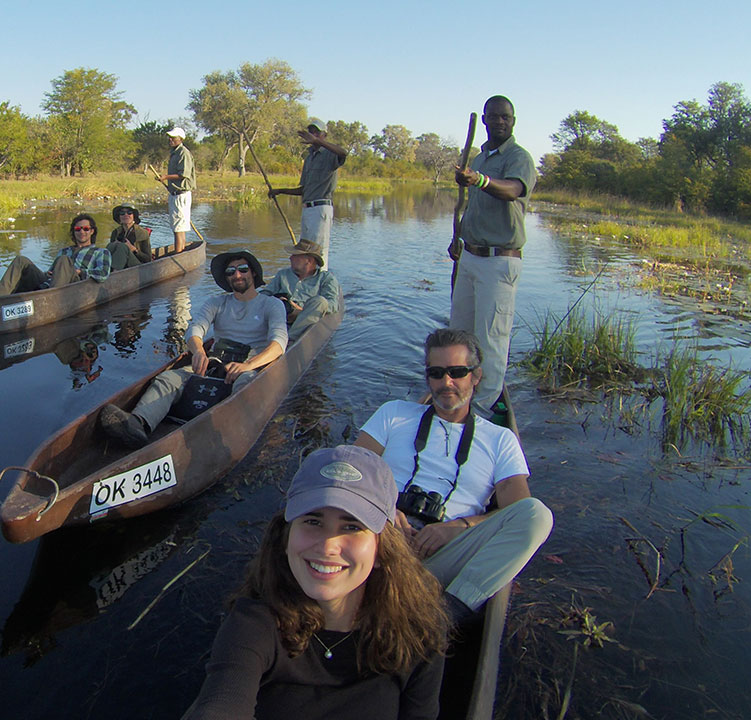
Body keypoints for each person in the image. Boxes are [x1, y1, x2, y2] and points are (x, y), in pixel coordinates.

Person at [182, 445, 448, 720]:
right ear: (285, 539)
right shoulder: (254, 623)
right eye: (312, 521)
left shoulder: (418, 635)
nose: (328, 546)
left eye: (352, 527)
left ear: (381, 550)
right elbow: (223, 703)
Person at [353, 328, 552, 627]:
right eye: (436, 373)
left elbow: (515, 513)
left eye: (457, 372)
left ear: (476, 376)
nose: (446, 383)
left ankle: (447, 614)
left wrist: (458, 528)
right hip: (378, 538)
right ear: (427, 377)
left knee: (536, 515)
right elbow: (349, 472)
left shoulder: (500, 439)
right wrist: (383, 509)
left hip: (442, 557)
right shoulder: (393, 414)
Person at [98, 250, 286, 447]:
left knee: (246, 385)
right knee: (168, 378)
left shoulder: (271, 304)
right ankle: (138, 424)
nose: (237, 275)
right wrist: (198, 351)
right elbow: (195, 329)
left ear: (253, 272)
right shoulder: (217, 303)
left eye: (242, 269)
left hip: (250, 365)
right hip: (217, 362)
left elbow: (278, 344)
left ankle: (226, 436)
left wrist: (248, 366)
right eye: (231, 271)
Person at [449, 95, 537, 414]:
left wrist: (480, 180)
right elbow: (471, 206)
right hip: (470, 256)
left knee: (491, 339)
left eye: (507, 117)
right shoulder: (481, 156)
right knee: (459, 333)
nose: (501, 121)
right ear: (484, 120)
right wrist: (457, 238)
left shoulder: (519, 158)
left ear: (513, 121)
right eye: (495, 117)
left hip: (500, 261)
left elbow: (512, 189)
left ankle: (482, 410)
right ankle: (458, 394)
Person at [268, 118, 348, 269]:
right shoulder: (309, 158)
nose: (313, 135)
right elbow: (303, 190)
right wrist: (280, 191)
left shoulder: (329, 155)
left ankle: (321, 282)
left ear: (324, 135)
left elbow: (344, 153)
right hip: (307, 209)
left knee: (318, 250)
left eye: (317, 132)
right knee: (305, 250)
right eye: (311, 132)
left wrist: (319, 142)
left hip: (320, 209)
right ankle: (305, 281)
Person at [0, 214, 112, 296]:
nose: (81, 232)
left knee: (64, 260)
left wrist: (80, 272)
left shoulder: (100, 252)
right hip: (51, 284)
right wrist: (49, 273)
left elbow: (103, 274)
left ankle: (51, 300)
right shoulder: (64, 251)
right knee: (21, 260)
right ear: (73, 231)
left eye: (86, 229)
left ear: (92, 231)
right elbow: (51, 273)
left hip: (73, 285)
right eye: (77, 229)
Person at [261, 238, 340, 341]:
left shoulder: (325, 278)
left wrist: (302, 311)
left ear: (309, 261)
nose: (290, 258)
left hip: (306, 318)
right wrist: (278, 300)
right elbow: (265, 294)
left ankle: (289, 341)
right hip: (281, 315)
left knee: (320, 301)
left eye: (295, 255)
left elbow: (333, 304)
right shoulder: (283, 275)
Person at [160, 127, 196, 255]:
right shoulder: (174, 152)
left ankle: (179, 254)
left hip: (182, 195)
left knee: (179, 228)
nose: (170, 140)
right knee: (176, 227)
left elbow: (183, 175)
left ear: (180, 139)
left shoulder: (183, 153)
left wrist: (165, 177)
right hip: (174, 194)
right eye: (170, 137)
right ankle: (179, 252)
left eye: (173, 138)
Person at [106, 205, 152, 270]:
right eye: (122, 213)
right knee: (111, 246)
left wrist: (134, 250)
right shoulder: (115, 232)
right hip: (119, 263)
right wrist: (115, 245)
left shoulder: (143, 233)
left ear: (134, 216)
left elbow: (148, 259)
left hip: (138, 266)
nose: (126, 215)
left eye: (129, 213)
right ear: (119, 217)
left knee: (122, 247)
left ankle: (114, 273)